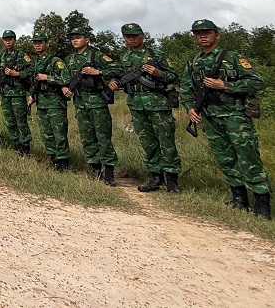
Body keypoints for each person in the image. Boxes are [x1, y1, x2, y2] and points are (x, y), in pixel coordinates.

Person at [180, 19, 270, 218]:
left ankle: (262, 204)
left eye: (207, 32)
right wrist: (189, 109)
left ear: (217, 35)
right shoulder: (192, 61)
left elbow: (257, 81)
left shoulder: (232, 57)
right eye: (197, 33)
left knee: (248, 157)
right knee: (225, 158)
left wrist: (226, 86)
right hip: (211, 117)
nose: (202, 36)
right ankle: (239, 199)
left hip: (235, 117)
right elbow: (185, 89)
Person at [110, 23, 181, 193]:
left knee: (166, 142)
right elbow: (118, 76)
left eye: (135, 35)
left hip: (158, 105)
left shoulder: (156, 55)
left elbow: (174, 76)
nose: (132, 39)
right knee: (147, 143)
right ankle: (155, 177)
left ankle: (172, 181)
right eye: (128, 36)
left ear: (143, 35)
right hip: (136, 105)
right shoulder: (125, 58)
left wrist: (158, 73)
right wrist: (113, 81)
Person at [64, 28, 120, 185]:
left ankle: (109, 172)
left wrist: (98, 71)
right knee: (87, 138)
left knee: (103, 137)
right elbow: (65, 77)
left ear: (86, 39)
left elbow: (117, 68)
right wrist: (65, 87)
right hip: (80, 103)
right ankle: (95, 169)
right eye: (72, 38)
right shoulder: (70, 59)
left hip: (97, 102)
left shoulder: (96, 55)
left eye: (78, 37)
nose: (75, 40)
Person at [27, 33, 70, 170]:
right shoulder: (36, 63)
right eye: (35, 43)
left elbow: (66, 79)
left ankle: (63, 162)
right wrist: (32, 95)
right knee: (46, 133)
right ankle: (53, 159)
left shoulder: (56, 61)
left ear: (47, 43)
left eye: (40, 42)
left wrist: (48, 77)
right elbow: (35, 82)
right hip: (42, 102)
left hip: (55, 102)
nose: (37, 45)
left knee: (59, 133)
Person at [0, 30, 33, 155]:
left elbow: (32, 70)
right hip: (5, 95)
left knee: (21, 121)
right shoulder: (1, 56)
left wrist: (18, 74)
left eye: (10, 39)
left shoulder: (22, 55)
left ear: (14, 40)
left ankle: (25, 147)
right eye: (5, 39)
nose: (8, 41)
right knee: (10, 121)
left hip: (18, 94)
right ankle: (16, 144)